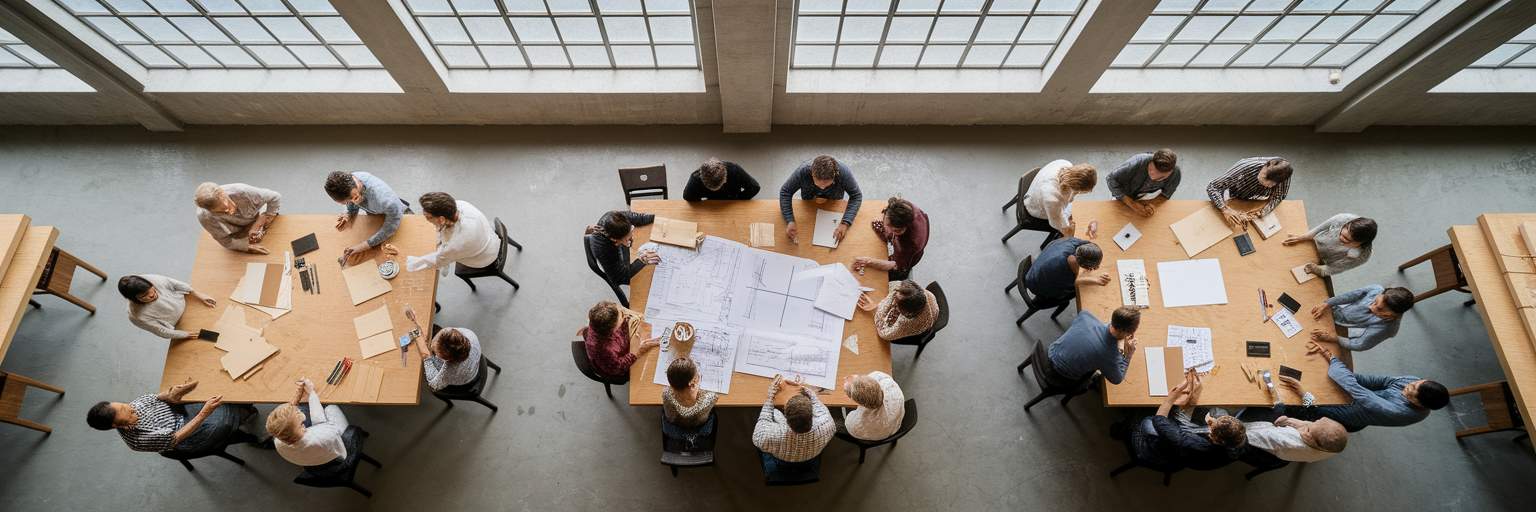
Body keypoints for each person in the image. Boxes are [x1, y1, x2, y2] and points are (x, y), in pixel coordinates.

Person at [1304, 342, 1449, 431]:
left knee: (1305, 403)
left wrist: (1333, 360)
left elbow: (1358, 392)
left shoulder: (1400, 412)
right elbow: (1375, 381)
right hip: (1366, 398)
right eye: (1414, 384)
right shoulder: (1414, 381)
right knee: (1323, 375)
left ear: (1419, 404)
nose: (1408, 386)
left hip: (1355, 413)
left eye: (1410, 392)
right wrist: (1340, 368)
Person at [86, 379, 258, 454]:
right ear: (117, 425)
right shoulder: (138, 441)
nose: (133, 408)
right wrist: (204, 413)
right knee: (224, 419)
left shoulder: (132, 406)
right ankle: (247, 433)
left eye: (124, 405)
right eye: (128, 413)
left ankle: (245, 411)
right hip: (185, 436)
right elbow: (176, 438)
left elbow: (155, 398)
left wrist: (171, 393)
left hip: (179, 413)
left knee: (221, 394)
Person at [1133, 370, 1247, 471]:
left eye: (1213, 426)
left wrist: (1171, 398)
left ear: (1214, 437)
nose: (1212, 420)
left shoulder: (1191, 443)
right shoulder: (1239, 440)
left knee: (1148, 421)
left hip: (1165, 454)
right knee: (1211, 410)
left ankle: (1128, 428)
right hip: (1197, 455)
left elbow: (1159, 420)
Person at [380, 192, 497, 276]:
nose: (425, 219)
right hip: (487, 235)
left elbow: (437, 260)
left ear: (441, 219)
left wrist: (405, 262)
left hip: (483, 258)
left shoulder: (456, 243)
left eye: (428, 218)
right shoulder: (459, 204)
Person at [1245, 375, 1349, 463]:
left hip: (1268, 442)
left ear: (1308, 435)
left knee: (1262, 407)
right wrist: (1303, 393)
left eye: (1313, 424)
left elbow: (1249, 432)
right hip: (1288, 435)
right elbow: (1314, 413)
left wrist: (1282, 420)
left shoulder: (1286, 439)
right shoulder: (1333, 447)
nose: (1315, 421)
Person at [1042, 307, 1140, 388]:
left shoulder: (1085, 315)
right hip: (1059, 375)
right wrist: (1128, 355)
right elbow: (1117, 379)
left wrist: (1120, 337)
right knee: (1090, 382)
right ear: (1127, 332)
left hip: (1050, 351)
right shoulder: (1109, 354)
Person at [325, 170, 407, 264]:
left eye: (347, 202)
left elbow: (391, 226)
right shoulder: (351, 179)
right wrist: (348, 212)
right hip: (374, 213)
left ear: (355, 196)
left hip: (396, 214)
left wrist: (364, 245)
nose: (347, 204)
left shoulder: (386, 201)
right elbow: (350, 201)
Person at [779, 155, 863, 244]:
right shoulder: (803, 171)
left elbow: (856, 195)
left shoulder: (843, 172)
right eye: (818, 184)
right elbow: (785, 192)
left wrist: (845, 223)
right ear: (812, 173)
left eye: (827, 185)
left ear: (834, 175)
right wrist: (790, 220)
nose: (822, 188)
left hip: (834, 200)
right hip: (809, 201)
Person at [752, 375, 835, 465]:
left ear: (785, 417)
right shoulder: (827, 425)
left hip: (781, 458)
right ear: (812, 413)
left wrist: (770, 397)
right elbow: (817, 403)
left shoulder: (765, 437)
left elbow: (763, 419)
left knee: (775, 412)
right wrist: (805, 389)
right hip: (811, 455)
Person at [268, 378, 349, 467]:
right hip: (334, 449)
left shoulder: (278, 441)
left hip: (311, 461)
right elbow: (321, 423)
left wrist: (297, 396)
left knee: (303, 407)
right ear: (303, 427)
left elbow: (285, 420)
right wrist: (311, 392)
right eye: (300, 420)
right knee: (330, 408)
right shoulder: (325, 435)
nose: (300, 413)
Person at [1307, 285, 1413, 351]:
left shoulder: (1388, 328)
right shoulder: (1376, 289)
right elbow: (1349, 296)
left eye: (1379, 310)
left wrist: (1334, 338)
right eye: (1375, 301)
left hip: (1345, 325)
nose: (1371, 307)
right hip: (1339, 310)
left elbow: (1360, 344)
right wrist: (1328, 303)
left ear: (1391, 315)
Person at [579, 301, 661, 380]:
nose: (624, 314)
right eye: (621, 315)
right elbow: (617, 368)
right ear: (613, 329)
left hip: (623, 344)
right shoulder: (603, 349)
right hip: (614, 367)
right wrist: (637, 352)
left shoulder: (598, 320)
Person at [119, 274, 216, 340]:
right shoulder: (136, 316)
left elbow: (175, 284)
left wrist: (198, 295)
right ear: (133, 299)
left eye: (151, 290)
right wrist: (185, 334)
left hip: (185, 303)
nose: (152, 295)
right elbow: (161, 331)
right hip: (178, 323)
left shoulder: (151, 279)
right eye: (144, 296)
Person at [854, 197, 930, 281]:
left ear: (904, 228)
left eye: (894, 230)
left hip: (908, 257)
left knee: (894, 274)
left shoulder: (911, 243)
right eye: (886, 223)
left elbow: (895, 265)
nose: (887, 229)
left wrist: (869, 261)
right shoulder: (903, 206)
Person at [193, 182, 281, 254]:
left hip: (258, 215)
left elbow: (275, 197)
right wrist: (245, 246)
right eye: (223, 211)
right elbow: (224, 240)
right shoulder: (205, 217)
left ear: (224, 193)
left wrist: (260, 222)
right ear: (210, 211)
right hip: (239, 232)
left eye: (228, 202)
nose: (230, 211)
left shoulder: (242, 191)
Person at [1206, 156, 1293, 225]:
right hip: (1237, 192)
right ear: (1266, 165)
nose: (1264, 183)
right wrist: (1225, 209)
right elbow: (1213, 187)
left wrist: (1261, 212)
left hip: (1259, 198)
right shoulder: (1245, 166)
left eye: (1271, 184)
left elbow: (1279, 196)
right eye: (1263, 177)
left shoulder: (1283, 174)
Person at [1283, 213, 1377, 277]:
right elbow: (1320, 228)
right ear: (1346, 224)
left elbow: (1333, 269)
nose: (1341, 238)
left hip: (1323, 260)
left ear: (1360, 244)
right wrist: (1303, 237)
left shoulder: (1362, 256)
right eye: (1342, 234)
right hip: (1314, 243)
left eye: (1347, 240)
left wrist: (1317, 269)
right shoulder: (1343, 218)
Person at [1022, 159, 1097, 238]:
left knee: (1075, 212)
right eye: (1078, 192)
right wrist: (1068, 229)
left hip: (1039, 189)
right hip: (1035, 207)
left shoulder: (1065, 163)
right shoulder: (1053, 198)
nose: (1077, 194)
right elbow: (1056, 223)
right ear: (1074, 187)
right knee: (1072, 223)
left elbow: (1068, 200)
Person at [1025, 238, 1109, 305]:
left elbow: (1088, 244)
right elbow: (1076, 283)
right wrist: (1096, 280)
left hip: (1037, 268)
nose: (1096, 268)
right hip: (1035, 284)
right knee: (1076, 293)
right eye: (1094, 268)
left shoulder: (1072, 242)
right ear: (1085, 266)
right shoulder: (1065, 270)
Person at [583, 210, 658, 286]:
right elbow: (621, 278)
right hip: (619, 266)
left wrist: (656, 217)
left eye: (631, 229)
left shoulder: (616, 218)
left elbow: (638, 218)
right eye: (627, 237)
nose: (631, 236)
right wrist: (642, 260)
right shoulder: (605, 251)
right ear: (615, 240)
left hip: (620, 246)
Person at [1106, 149, 1181, 217]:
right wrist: (1133, 205)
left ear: (1171, 171)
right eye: (1151, 171)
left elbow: (1166, 194)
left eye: (1161, 178)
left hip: (1142, 193)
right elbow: (1110, 179)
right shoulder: (1137, 162)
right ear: (1151, 161)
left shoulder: (1176, 173)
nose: (1153, 178)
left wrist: (1152, 204)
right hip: (1123, 191)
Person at [842, 371, 904, 441]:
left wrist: (852, 384)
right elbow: (873, 377)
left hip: (878, 433)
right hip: (895, 421)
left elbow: (849, 420)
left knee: (837, 419)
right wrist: (857, 379)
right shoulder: (888, 383)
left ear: (861, 403)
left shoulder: (854, 424)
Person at [418, 327, 483, 392]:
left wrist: (427, 358)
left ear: (447, 359)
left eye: (437, 352)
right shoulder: (470, 334)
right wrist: (433, 343)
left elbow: (434, 385)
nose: (433, 345)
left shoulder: (450, 370)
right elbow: (446, 330)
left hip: (467, 379)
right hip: (474, 361)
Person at [871, 279, 939, 341]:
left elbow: (884, 334)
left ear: (906, 313)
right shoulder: (907, 289)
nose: (894, 302)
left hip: (924, 325)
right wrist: (882, 307)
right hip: (926, 304)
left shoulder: (909, 321)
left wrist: (876, 309)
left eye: (897, 304)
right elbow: (892, 288)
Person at [661, 357, 718, 429]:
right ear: (692, 383)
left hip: (673, 422)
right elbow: (715, 396)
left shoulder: (666, 394)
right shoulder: (707, 399)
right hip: (698, 426)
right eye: (697, 375)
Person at [683, 158, 760, 200]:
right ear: (702, 179)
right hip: (712, 207)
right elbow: (688, 197)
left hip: (733, 201)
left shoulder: (735, 170)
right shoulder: (695, 179)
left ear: (725, 177)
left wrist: (738, 200)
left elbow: (754, 187)